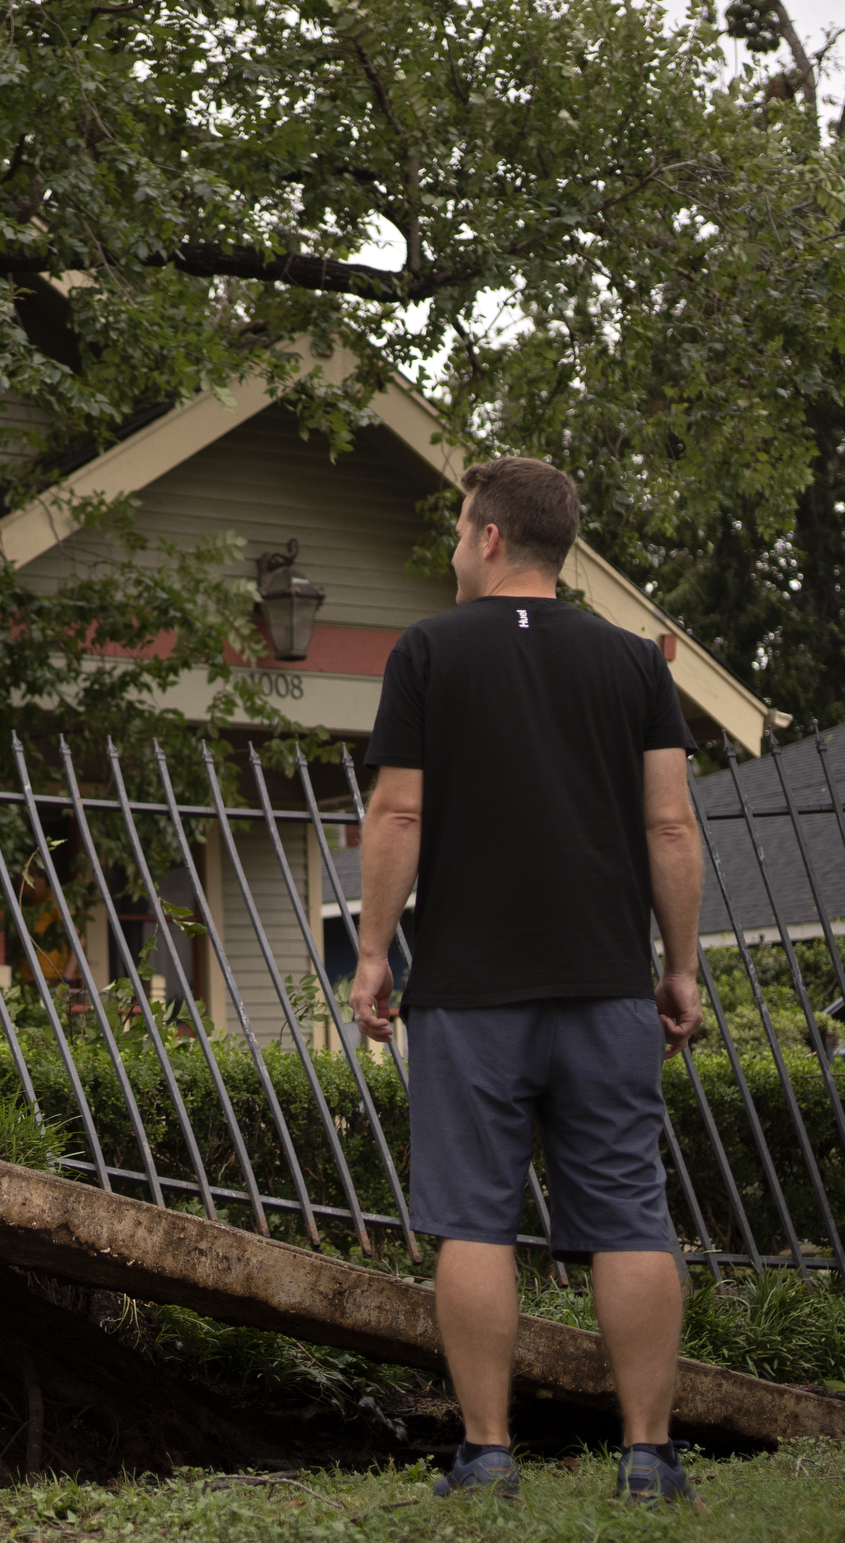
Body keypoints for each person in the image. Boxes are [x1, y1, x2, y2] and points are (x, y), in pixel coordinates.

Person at [348, 456, 706, 1506]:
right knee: (631, 1214)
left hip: (467, 990)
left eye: (462, 531)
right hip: (605, 985)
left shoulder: (427, 651)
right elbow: (671, 823)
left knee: (474, 1219)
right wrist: (678, 966)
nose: (456, 551)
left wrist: (374, 951)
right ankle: (648, 1457)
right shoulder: (636, 664)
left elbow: (399, 813)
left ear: (492, 536)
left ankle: (488, 1453)